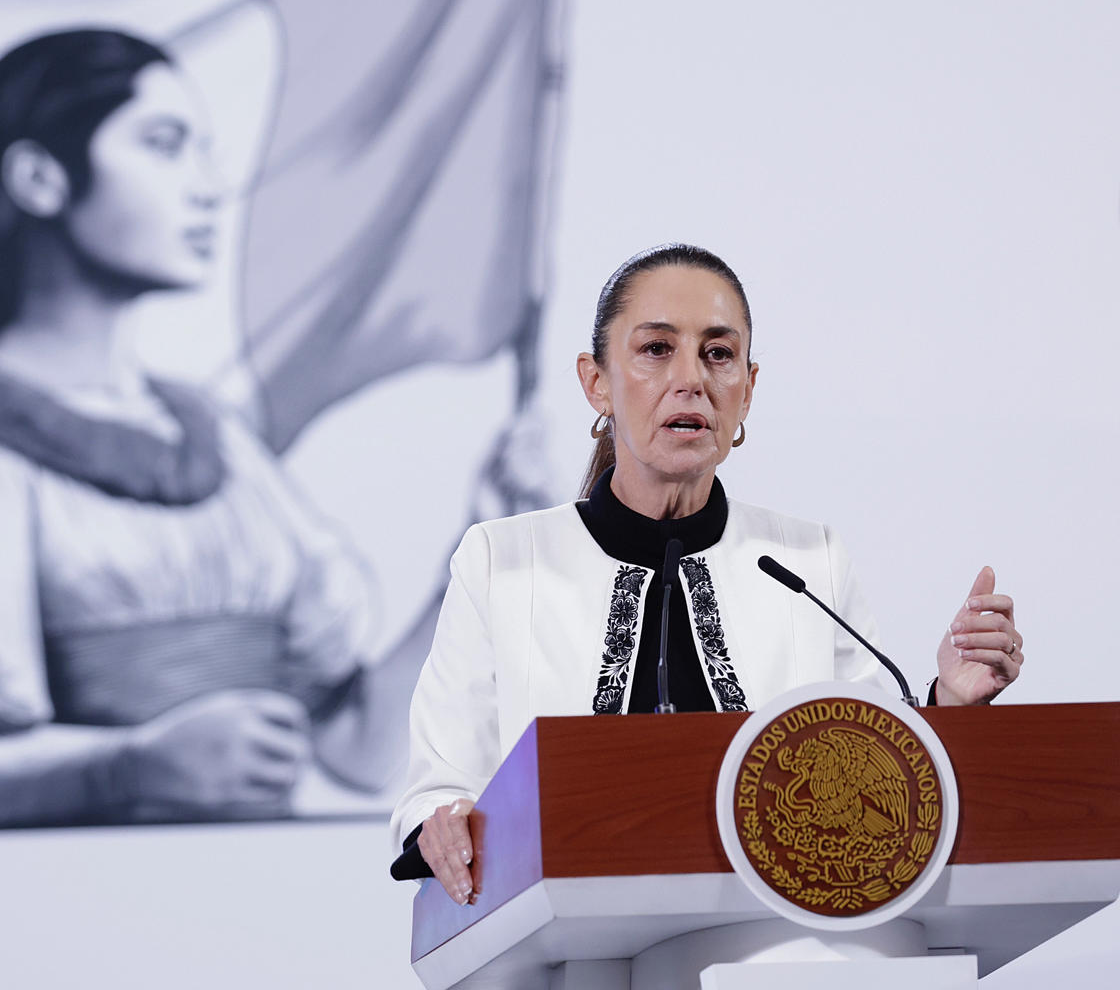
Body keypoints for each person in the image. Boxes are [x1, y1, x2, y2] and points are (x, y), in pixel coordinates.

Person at [0, 28, 441, 833]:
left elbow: (356, 747)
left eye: (203, 151)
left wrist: (474, 564)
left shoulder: (213, 440)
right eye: (163, 145)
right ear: (40, 177)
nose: (207, 187)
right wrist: (130, 766)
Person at [390, 244, 1025, 903]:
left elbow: (871, 764)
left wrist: (951, 699)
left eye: (718, 354)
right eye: (657, 349)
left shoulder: (809, 562)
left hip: (771, 942)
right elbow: (440, 785)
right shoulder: (503, 560)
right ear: (596, 381)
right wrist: (443, 825)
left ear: (747, 388)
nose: (691, 378)